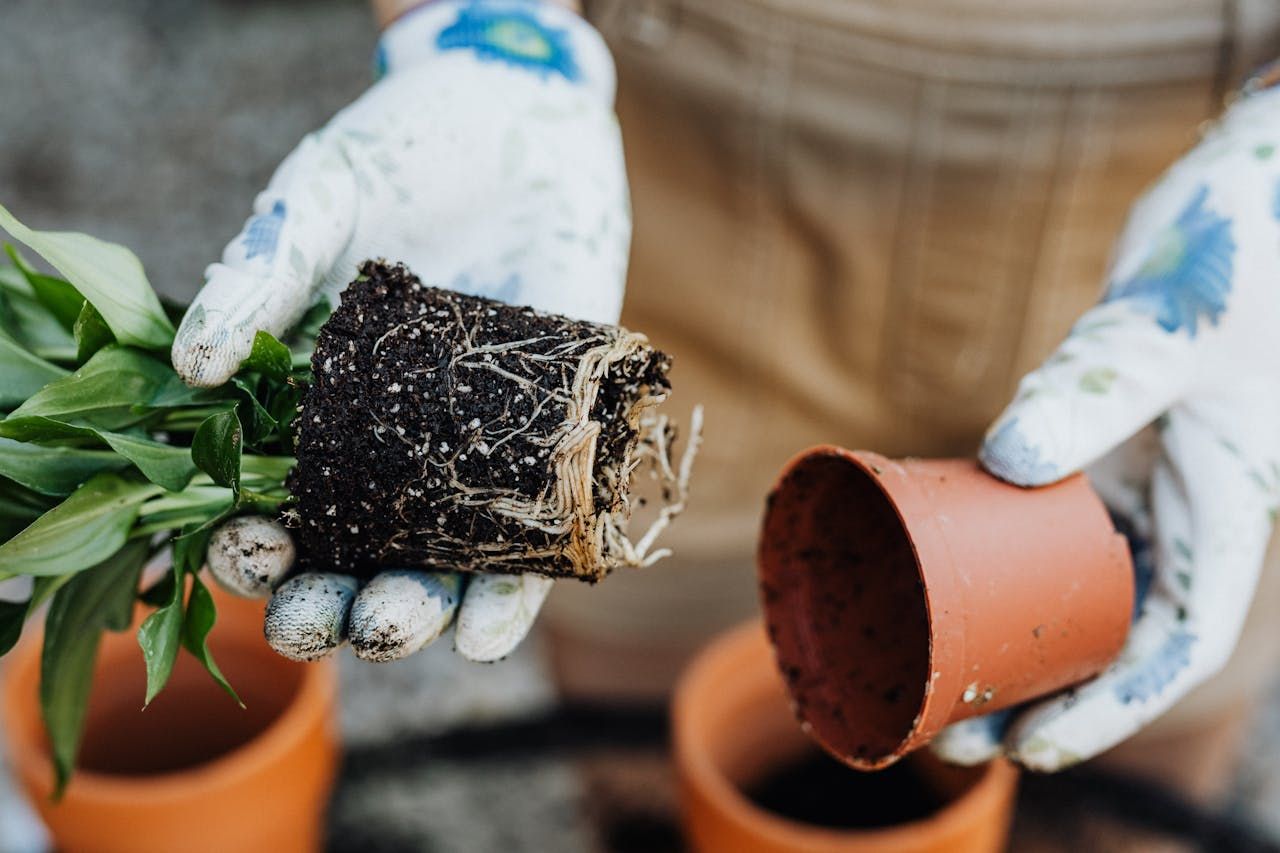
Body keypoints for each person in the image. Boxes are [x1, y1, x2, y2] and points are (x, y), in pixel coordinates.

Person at [174, 0, 1280, 778]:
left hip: (1184, 205)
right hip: (692, 153)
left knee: (1124, 728)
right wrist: (483, 26)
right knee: (654, 733)